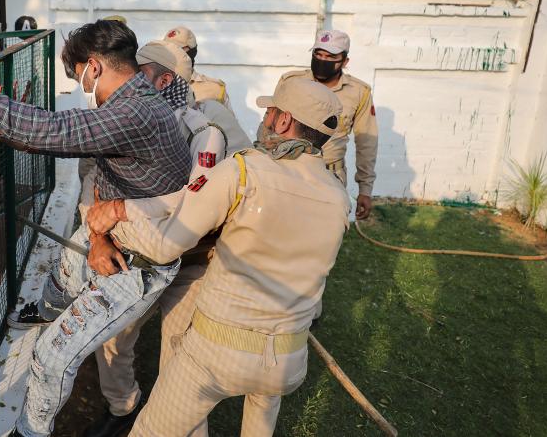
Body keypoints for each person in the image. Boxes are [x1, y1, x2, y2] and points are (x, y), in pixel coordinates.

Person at [0, 19, 190, 437]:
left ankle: (31, 431)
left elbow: (50, 131)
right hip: (120, 236)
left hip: (140, 264)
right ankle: (45, 309)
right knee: (66, 266)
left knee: (51, 357)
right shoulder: (133, 98)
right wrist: (99, 236)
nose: (78, 84)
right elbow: (81, 163)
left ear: (94, 67)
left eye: (75, 75)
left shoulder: (134, 112)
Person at [87, 78, 350, 437]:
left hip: (219, 351)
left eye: (270, 112)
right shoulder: (337, 197)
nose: (264, 119)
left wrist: (117, 213)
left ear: (284, 121)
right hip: (287, 358)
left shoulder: (244, 170)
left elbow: (166, 246)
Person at [87, 40, 229, 437]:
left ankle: (175, 423)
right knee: (112, 334)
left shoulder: (203, 132)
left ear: (166, 80)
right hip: (133, 258)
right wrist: (98, 240)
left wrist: (120, 211)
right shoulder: (119, 119)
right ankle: (122, 408)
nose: (130, 81)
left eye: (141, 73)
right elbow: (95, 183)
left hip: (191, 262)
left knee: (182, 356)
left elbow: (194, 201)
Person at [276, 29, 377, 220]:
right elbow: (271, 124)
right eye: (318, 54)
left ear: (345, 62)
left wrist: (365, 189)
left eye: (330, 57)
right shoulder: (291, 82)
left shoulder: (358, 92)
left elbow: (367, 142)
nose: (323, 60)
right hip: (289, 170)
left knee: (325, 232)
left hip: (330, 175)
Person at [163, 26, 231, 110]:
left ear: (192, 52)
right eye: (167, 50)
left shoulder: (215, 89)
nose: (172, 54)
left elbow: (227, 121)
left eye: (177, 49)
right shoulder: (154, 85)